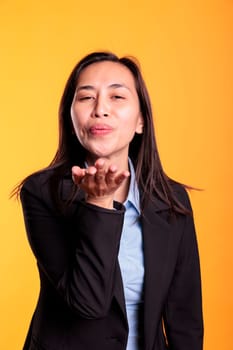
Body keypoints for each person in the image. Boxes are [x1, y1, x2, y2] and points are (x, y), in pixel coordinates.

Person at [17, 51, 203, 350]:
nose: (100, 109)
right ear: (71, 115)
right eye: (86, 97)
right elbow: (87, 303)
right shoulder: (41, 193)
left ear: (141, 120)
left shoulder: (170, 200)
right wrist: (99, 203)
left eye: (117, 97)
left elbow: (185, 316)